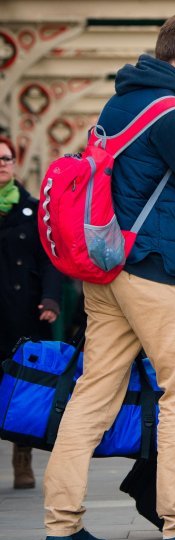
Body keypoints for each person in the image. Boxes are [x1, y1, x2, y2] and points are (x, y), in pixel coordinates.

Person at [42, 10, 175, 540]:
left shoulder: (119, 103)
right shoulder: (173, 114)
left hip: (110, 272)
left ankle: (61, 523)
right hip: (156, 275)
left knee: (94, 393)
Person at [0, 135, 62, 491]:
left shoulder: (33, 209)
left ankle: (21, 456)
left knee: (22, 386)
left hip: (25, 312)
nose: (3, 164)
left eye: (7, 158)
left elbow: (50, 259)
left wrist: (51, 300)